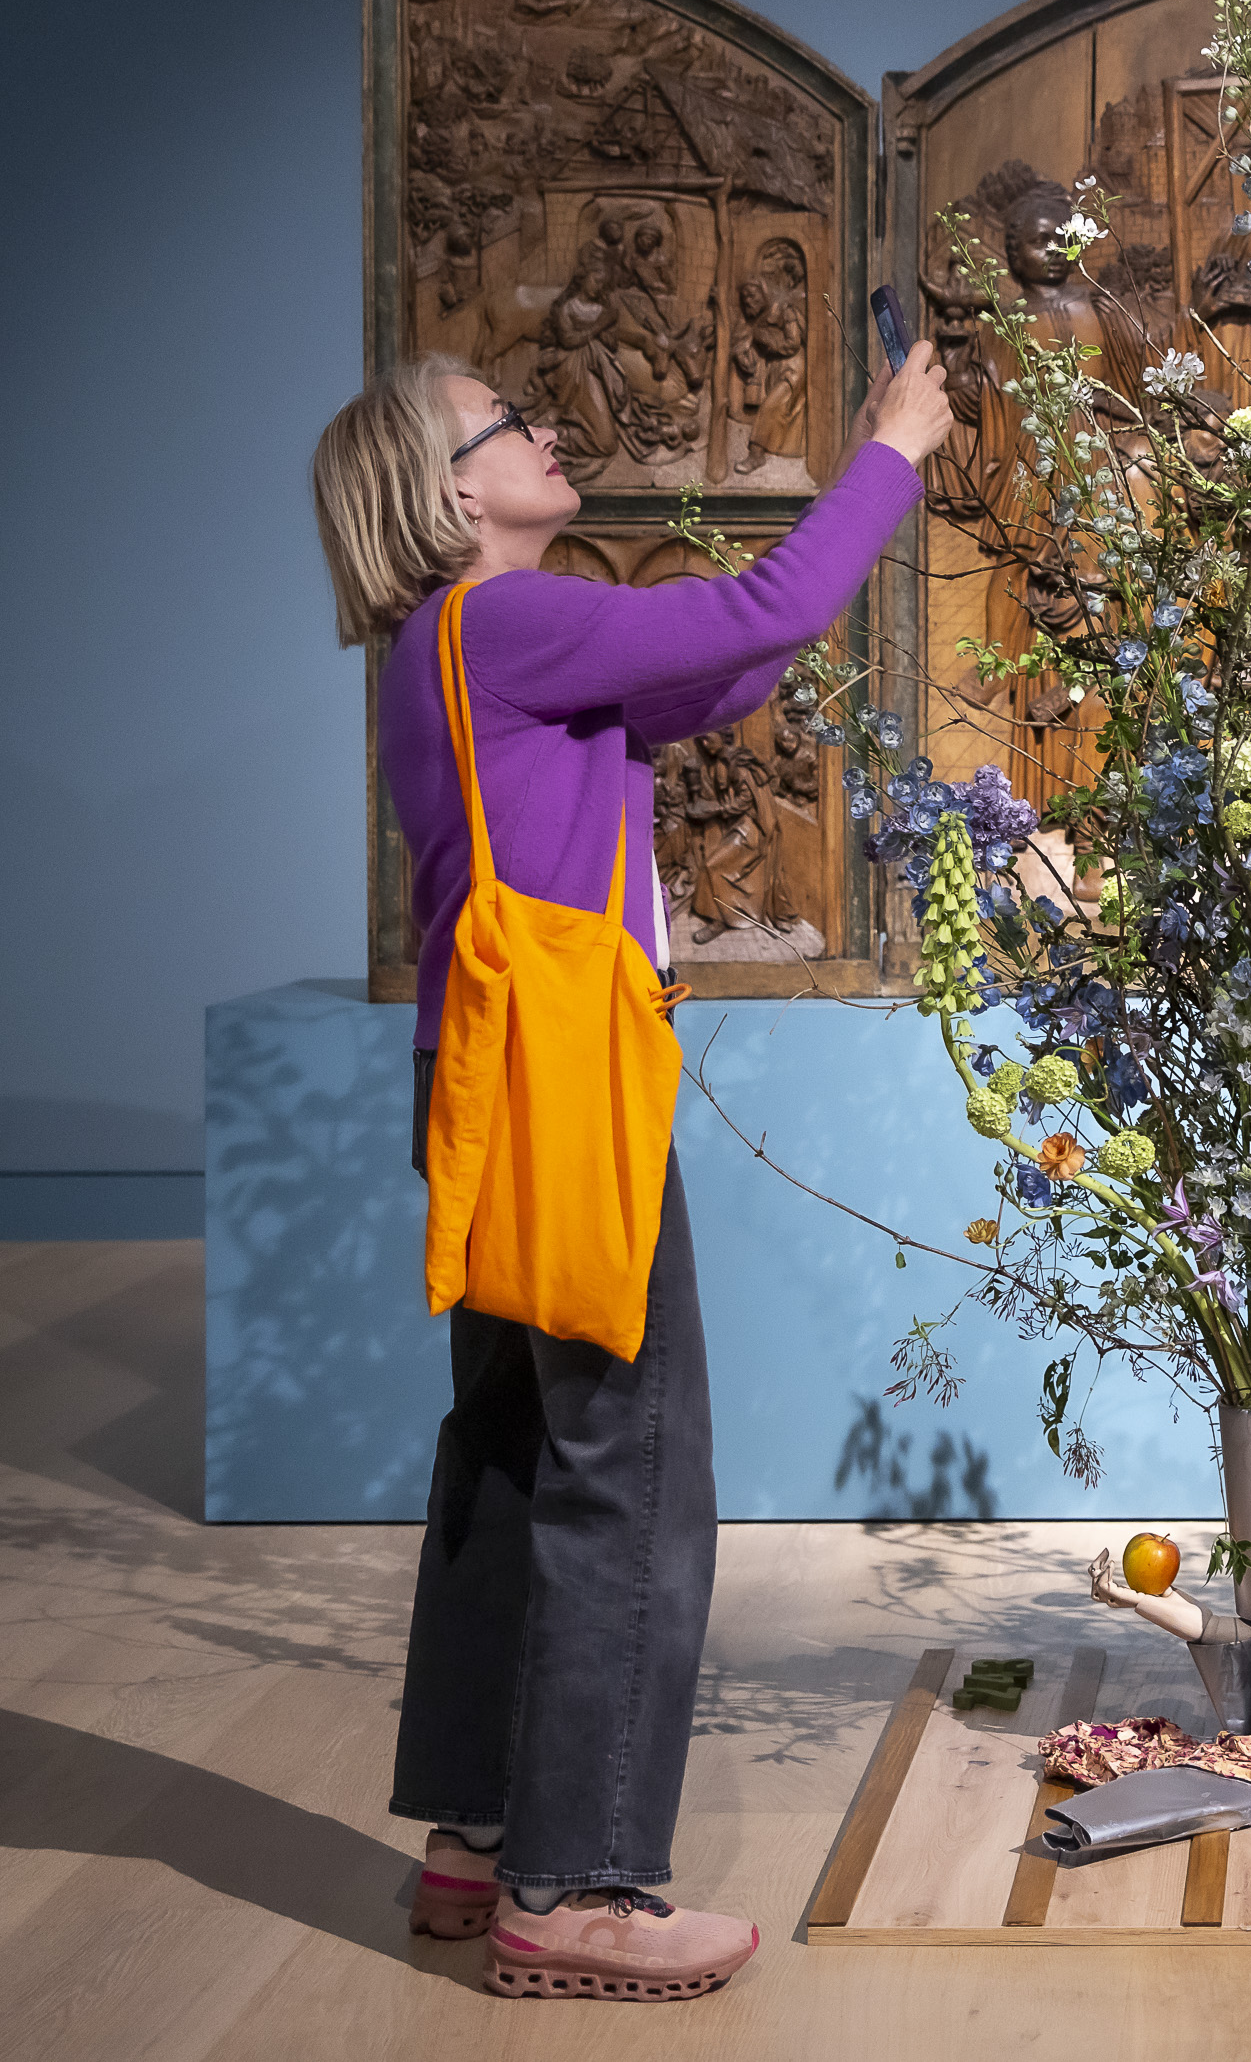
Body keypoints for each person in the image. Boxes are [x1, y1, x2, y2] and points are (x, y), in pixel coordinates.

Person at [307, 338, 951, 1994]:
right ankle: (576, 1883)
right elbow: (745, 628)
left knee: (514, 1449)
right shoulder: (506, 618)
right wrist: (883, 456)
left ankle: (471, 1837)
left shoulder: (446, 648)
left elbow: (710, 675)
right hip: (568, 1090)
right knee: (631, 1467)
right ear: (453, 490)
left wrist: (809, 571)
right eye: (507, 422)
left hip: (495, 1082)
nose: (544, 426)